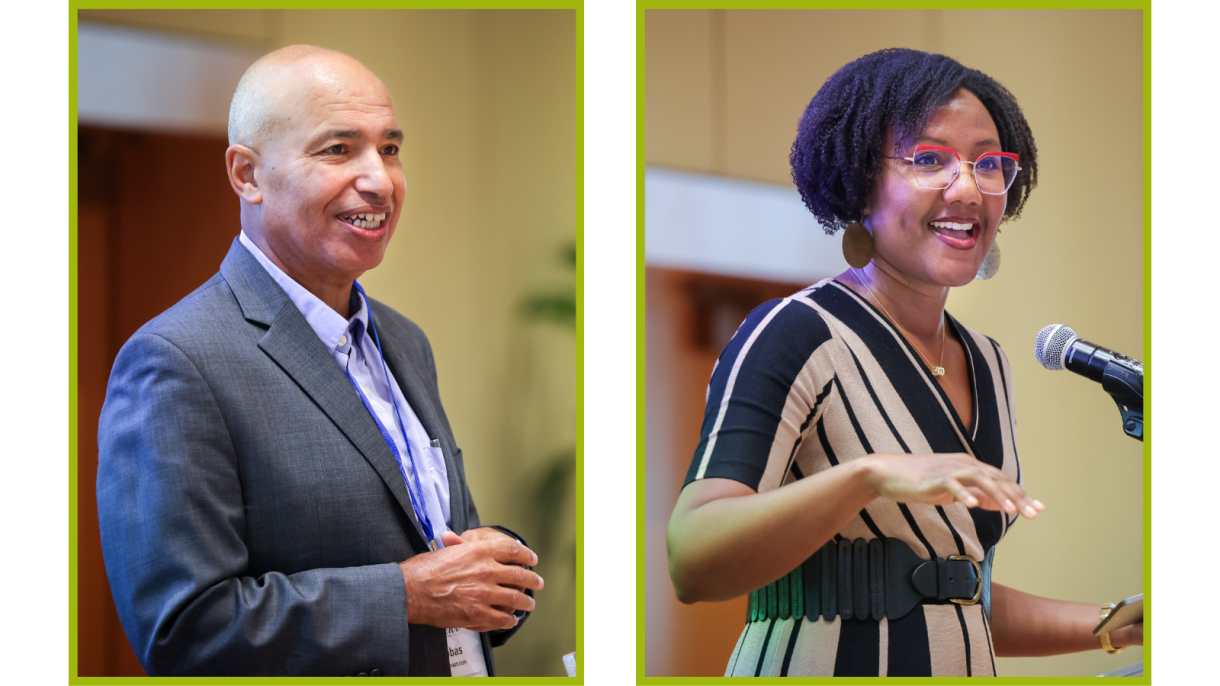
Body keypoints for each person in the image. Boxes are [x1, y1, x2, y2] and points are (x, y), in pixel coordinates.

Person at [666, 48, 1142, 676]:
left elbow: (953, 594)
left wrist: (1116, 625)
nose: (968, 187)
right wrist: (866, 476)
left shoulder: (989, 364)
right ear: (860, 179)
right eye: (929, 159)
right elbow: (694, 558)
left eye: (988, 164)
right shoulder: (795, 332)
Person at [96, 45, 544, 676]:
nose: (380, 179)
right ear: (247, 174)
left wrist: (495, 567)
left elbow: (435, 550)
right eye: (338, 149)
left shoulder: (405, 340)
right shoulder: (176, 361)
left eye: (389, 148)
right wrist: (407, 594)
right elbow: (185, 631)